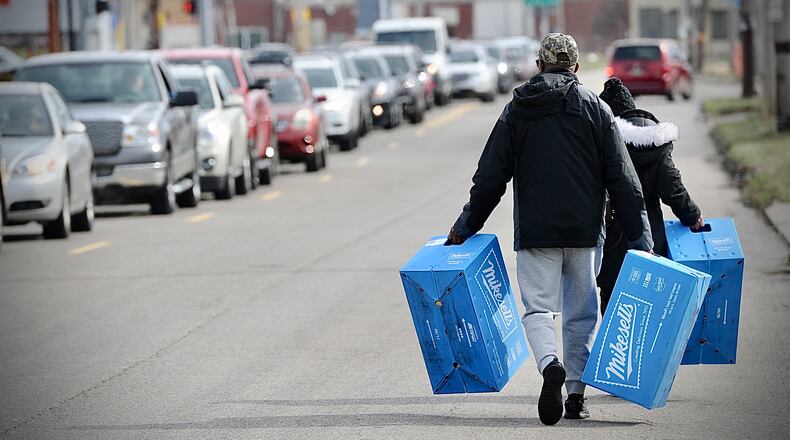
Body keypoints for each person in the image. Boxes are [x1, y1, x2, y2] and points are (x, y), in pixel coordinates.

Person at [445, 34, 653, 425]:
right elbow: (623, 179)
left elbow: (491, 177)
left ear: (539, 65)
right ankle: (575, 394)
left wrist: (465, 225)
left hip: (536, 230)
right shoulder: (596, 109)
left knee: (539, 308)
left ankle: (549, 364)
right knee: (583, 312)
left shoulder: (517, 109)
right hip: (585, 231)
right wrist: (642, 239)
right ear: (575, 68)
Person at [596, 77, 704, 314]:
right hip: (651, 235)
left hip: (612, 236)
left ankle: (617, 349)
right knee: (650, 304)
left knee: (613, 302)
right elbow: (672, 188)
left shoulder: (602, 140)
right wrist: (692, 215)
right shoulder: (656, 143)